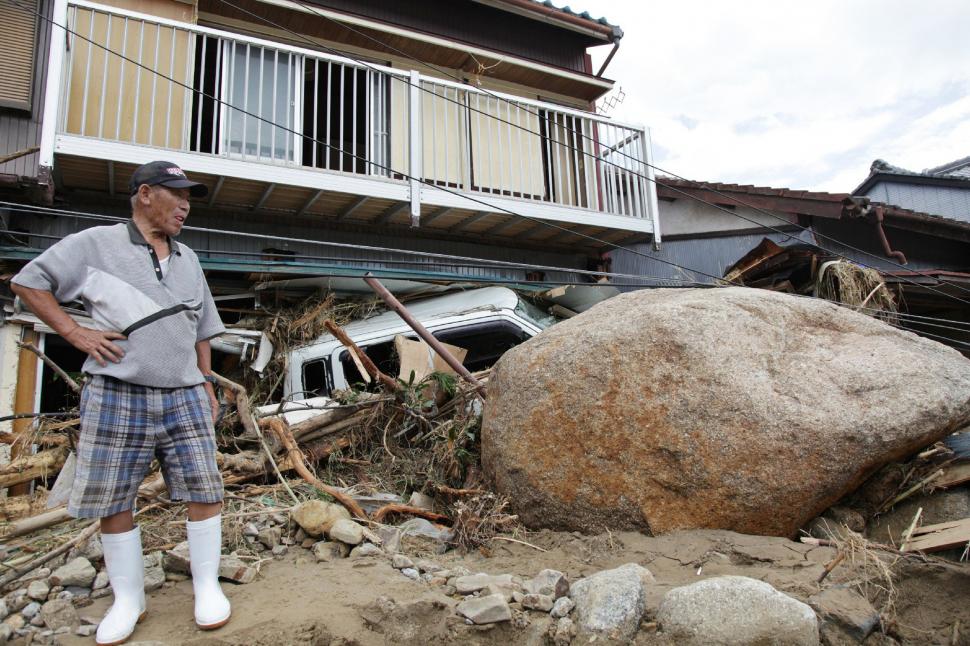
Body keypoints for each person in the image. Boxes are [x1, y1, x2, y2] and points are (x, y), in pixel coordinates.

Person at [11, 161, 230, 645]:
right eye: (177, 195)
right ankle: (129, 600)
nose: (186, 205)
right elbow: (28, 282)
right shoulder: (95, 244)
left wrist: (208, 382)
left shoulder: (188, 258)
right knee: (115, 497)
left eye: (189, 197)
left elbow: (202, 327)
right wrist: (72, 331)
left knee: (205, 488)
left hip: (185, 390)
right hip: (116, 390)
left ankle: (207, 585)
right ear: (146, 194)